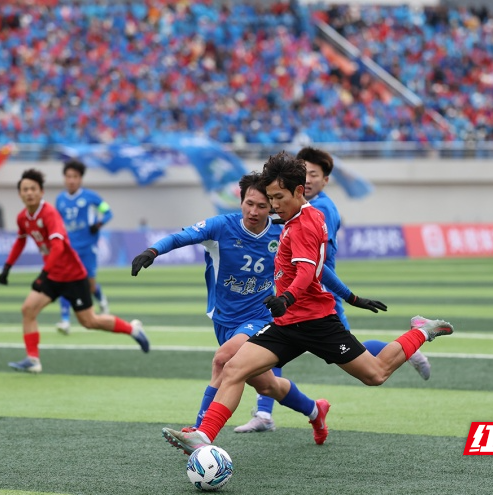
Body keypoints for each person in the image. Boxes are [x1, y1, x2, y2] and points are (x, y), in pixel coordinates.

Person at [162, 152, 454, 455]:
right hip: (287, 323)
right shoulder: (294, 219)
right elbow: (313, 268)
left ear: (298, 191)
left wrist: (286, 297)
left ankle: (421, 331)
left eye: (278, 198)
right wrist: (349, 298)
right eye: (270, 199)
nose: (273, 205)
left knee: (376, 373)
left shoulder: (305, 224)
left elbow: (305, 272)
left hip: (316, 322)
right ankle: (204, 436)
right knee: (233, 366)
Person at [131, 172, 386, 445]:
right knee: (268, 385)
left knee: (223, 360)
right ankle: (315, 410)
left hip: (261, 316)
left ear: (272, 206)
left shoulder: (282, 231)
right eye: (249, 203)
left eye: (262, 206)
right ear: (241, 201)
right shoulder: (221, 226)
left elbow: (316, 269)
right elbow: (179, 237)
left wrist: (350, 297)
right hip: (224, 320)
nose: (254, 211)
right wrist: (152, 251)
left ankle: (198, 432)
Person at [235, 147, 431, 434]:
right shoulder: (295, 208)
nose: (308, 180)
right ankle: (266, 413)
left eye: (314, 175)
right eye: (305, 173)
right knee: (267, 353)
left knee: (365, 365)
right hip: (299, 300)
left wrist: (347, 297)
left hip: (314, 298)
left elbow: (314, 266)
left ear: (324, 180)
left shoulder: (318, 211)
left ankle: (408, 346)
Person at [0, 169, 149, 373]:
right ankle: (33, 360)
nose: (29, 193)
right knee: (28, 310)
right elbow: (20, 240)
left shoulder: (50, 213)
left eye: (33, 189)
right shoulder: (23, 218)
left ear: (41, 192)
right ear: (19, 194)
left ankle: (133, 329)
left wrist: (43, 274)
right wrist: (7, 267)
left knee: (90, 321)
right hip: (53, 275)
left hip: (72, 275)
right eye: (25, 189)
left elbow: (58, 247)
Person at [54, 160, 112, 335]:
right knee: (65, 282)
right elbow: (57, 222)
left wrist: (99, 223)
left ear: (80, 179)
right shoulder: (60, 200)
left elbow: (108, 212)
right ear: (64, 178)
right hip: (69, 248)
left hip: (87, 247)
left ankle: (102, 302)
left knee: (89, 284)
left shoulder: (90, 197)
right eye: (68, 176)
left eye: (75, 177)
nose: (71, 180)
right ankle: (65, 320)